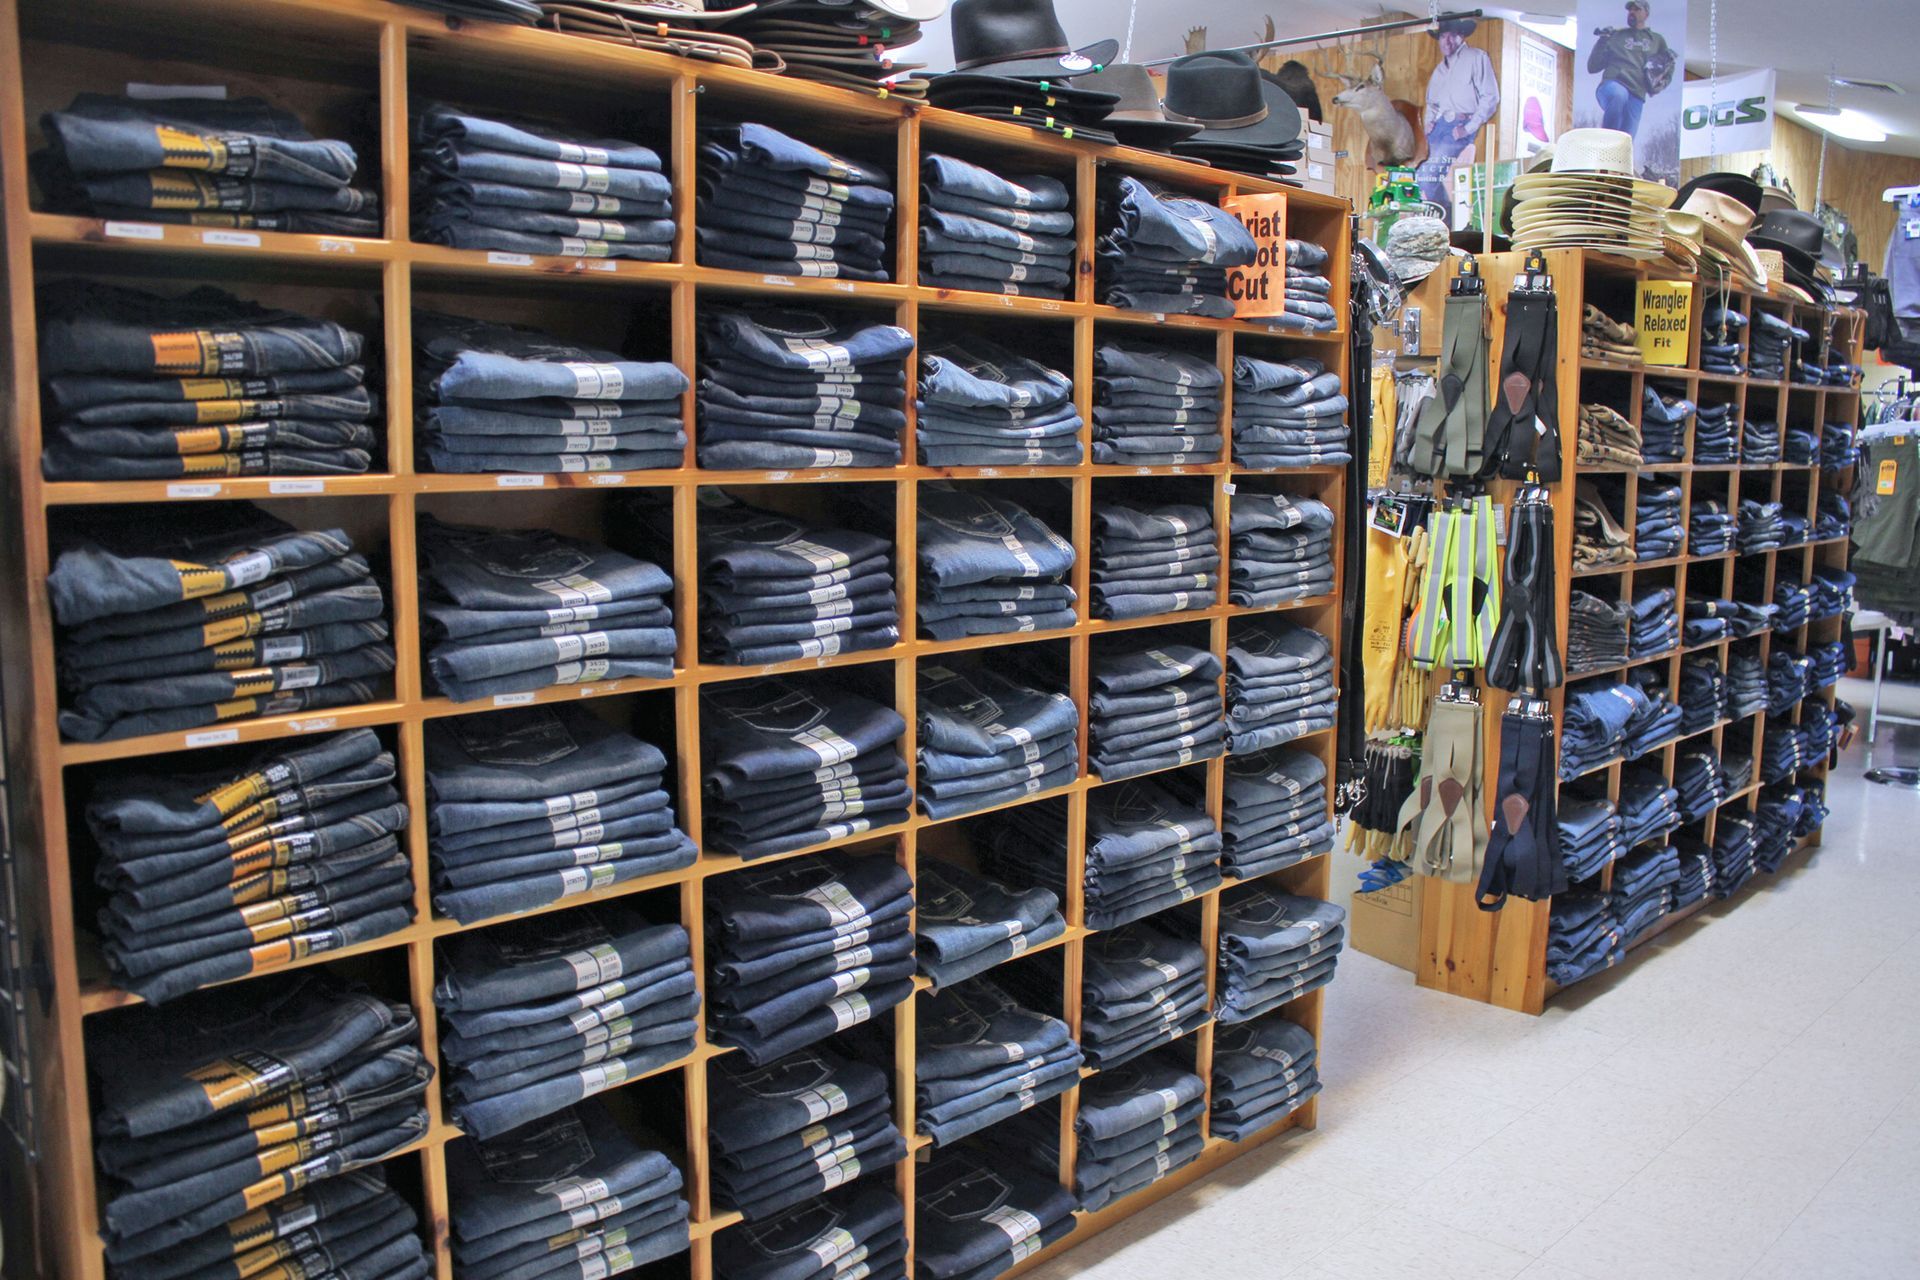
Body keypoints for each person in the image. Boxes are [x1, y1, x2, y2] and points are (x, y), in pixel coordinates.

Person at [1417, 17, 1499, 206]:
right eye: (1443, 36)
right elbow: (1432, 103)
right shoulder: (1439, 70)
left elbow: (1490, 96)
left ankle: (1446, 218)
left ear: (1461, 36)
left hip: (1459, 126)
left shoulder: (1476, 57)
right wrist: (1429, 122)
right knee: (1419, 174)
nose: (1446, 41)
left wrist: (1469, 127)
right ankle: (1444, 216)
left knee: (1428, 174)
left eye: (1452, 35)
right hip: (1438, 127)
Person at [1587, 0, 1674, 139]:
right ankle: (1605, 140)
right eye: (1630, 10)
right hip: (1613, 84)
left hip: (1637, 93)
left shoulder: (1657, 40)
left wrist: (1661, 84)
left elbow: (1668, 65)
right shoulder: (1616, 36)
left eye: (1637, 9)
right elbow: (1592, 67)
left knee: (1627, 139)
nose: (1632, 12)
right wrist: (1602, 41)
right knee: (1619, 95)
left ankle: (1614, 158)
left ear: (1646, 14)